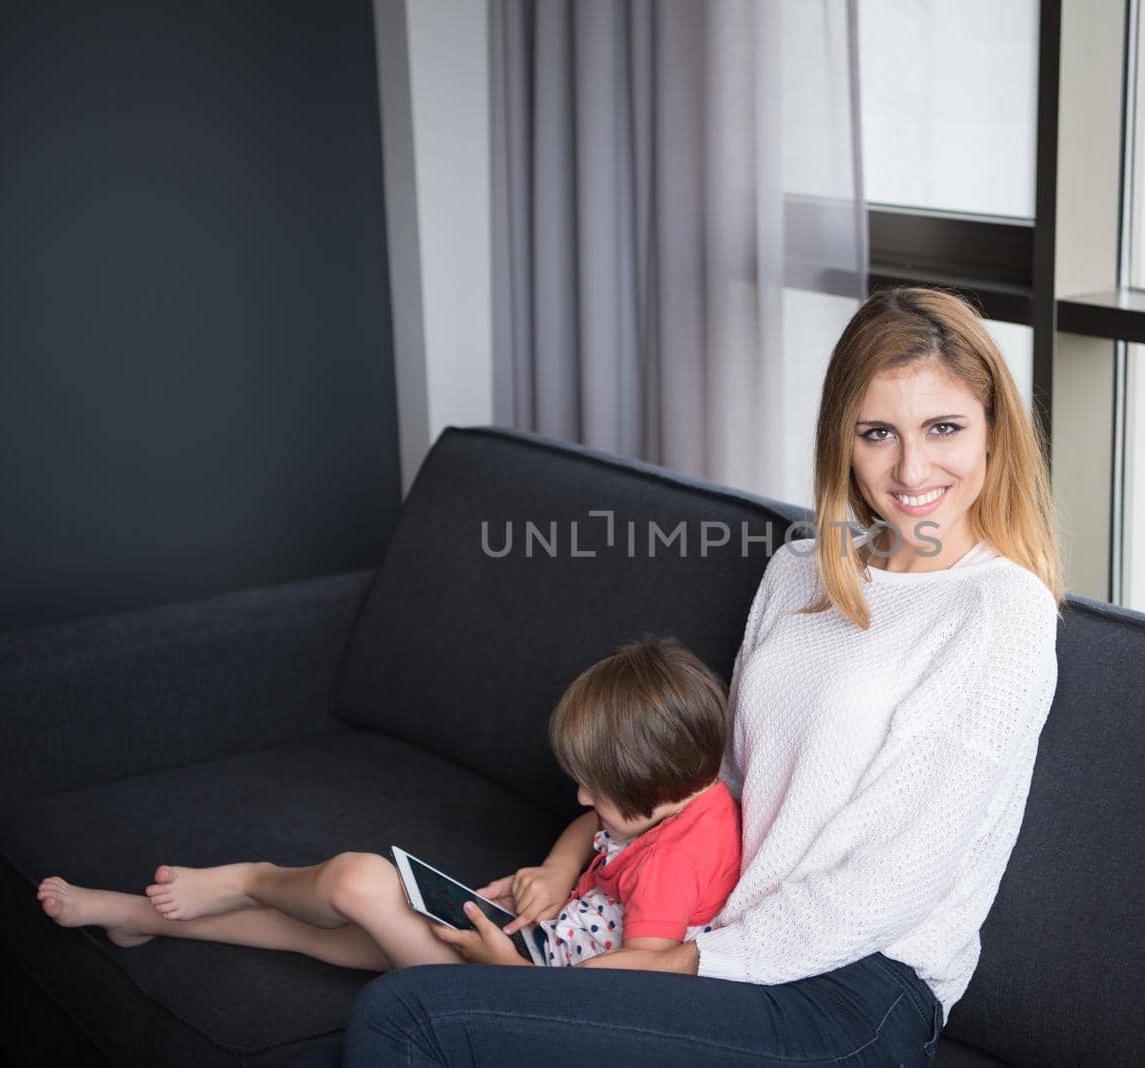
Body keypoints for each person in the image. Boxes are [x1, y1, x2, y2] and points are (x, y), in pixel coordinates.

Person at [339, 286, 1065, 1066]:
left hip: (856, 991)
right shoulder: (799, 571)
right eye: (878, 432)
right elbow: (716, 782)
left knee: (408, 1015)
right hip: (720, 933)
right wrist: (586, 886)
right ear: (842, 443)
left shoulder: (999, 611)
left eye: (944, 428)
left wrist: (684, 961)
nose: (912, 467)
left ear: (995, 431)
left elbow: (895, 884)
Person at [35, 636, 741, 975]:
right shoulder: (682, 795)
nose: (584, 799)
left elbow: (653, 968)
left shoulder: (679, 859)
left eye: (602, 790)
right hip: (520, 943)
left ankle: (249, 875)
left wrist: (513, 976)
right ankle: (135, 917)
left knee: (355, 880)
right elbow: (595, 824)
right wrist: (558, 872)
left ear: (660, 788)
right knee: (317, 934)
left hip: (518, 983)